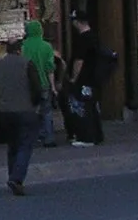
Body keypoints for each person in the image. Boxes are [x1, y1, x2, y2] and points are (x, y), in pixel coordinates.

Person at [0, 27, 45, 194]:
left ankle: (12, 175)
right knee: (25, 145)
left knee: (12, 146)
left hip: (5, 111)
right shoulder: (27, 63)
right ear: (19, 50)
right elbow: (37, 88)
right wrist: (36, 104)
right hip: (25, 110)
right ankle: (16, 178)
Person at [66, 15, 107, 146]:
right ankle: (97, 135)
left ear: (78, 22)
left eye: (74, 21)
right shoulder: (95, 37)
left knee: (83, 107)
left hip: (84, 79)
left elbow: (79, 61)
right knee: (92, 106)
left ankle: (87, 137)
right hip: (94, 78)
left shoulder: (82, 39)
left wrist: (73, 78)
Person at [23, 15, 59, 144]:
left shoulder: (23, 47)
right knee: (47, 111)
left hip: (28, 85)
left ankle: (33, 136)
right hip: (43, 83)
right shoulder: (47, 46)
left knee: (30, 112)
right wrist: (53, 87)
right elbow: (50, 68)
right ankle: (49, 137)